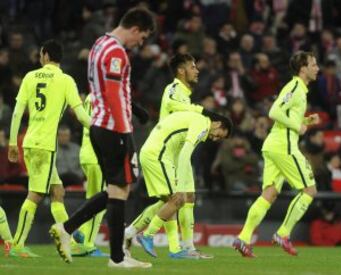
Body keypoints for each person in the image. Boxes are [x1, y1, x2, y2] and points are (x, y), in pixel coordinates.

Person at [49, 7, 156, 269]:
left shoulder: (100, 43)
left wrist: (136, 110)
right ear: (134, 29)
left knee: (115, 190)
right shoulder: (116, 52)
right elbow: (111, 93)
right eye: (141, 37)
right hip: (113, 128)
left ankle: (67, 228)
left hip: (99, 125)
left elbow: (112, 90)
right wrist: (124, 131)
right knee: (121, 189)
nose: (139, 43)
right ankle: (117, 258)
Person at [124, 53, 216, 259]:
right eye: (192, 67)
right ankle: (170, 245)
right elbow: (183, 110)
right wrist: (204, 113)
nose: (197, 70)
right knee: (175, 200)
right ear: (181, 71)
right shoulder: (173, 89)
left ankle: (184, 247)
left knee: (185, 198)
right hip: (168, 152)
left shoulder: (185, 93)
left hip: (177, 151)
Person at [233, 51, 320, 257]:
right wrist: (298, 127)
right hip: (284, 146)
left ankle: (243, 238)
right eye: (313, 64)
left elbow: (286, 117)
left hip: (274, 145)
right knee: (309, 190)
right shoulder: (295, 87)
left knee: (269, 194)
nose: (317, 68)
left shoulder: (298, 89)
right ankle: (283, 233)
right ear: (303, 68)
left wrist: (305, 121)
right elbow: (274, 112)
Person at [7, 39, 91, 257]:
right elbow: (81, 116)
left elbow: (17, 112)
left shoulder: (30, 77)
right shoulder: (66, 80)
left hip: (30, 141)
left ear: (44, 55)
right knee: (35, 194)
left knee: (57, 192)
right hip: (45, 146)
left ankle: (69, 240)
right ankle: (17, 245)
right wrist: (102, 128)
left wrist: (12, 142)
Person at [135, 111, 232, 258]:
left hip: (156, 153)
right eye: (219, 134)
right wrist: (180, 186)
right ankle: (146, 235)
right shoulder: (202, 125)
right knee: (178, 199)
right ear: (217, 123)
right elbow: (185, 153)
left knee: (170, 202)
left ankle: (176, 249)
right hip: (158, 155)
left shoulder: (196, 120)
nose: (215, 139)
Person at [70, 95, 107, 257]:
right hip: (98, 155)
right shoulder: (106, 95)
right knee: (100, 202)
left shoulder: (92, 95)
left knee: (92, 199)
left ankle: (80, 235)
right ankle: (89, 245)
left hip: (86, 152)